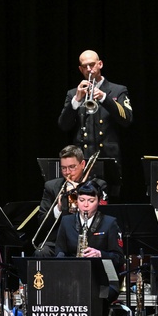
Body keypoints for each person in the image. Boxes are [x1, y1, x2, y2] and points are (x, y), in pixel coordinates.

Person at [58, 50, 133, 199]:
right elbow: (63, 125)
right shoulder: (73, 94)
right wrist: (77, 101)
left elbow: (127, 119)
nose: (89, 70)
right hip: (82, 163)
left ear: (100, 64)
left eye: (92, 65)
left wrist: (104, 98)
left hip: (108, 162)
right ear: (80, 69)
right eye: (84, 66)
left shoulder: (117, 90)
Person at [35, 145, 108, 256]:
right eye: (64, 168)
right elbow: (42, 223)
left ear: (82, 164)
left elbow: (103, 217)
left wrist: (80, 194)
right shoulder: (51, 187)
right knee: (41, 252)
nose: (67, 172)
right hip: (59, 241)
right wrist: (58, 209)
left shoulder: (98, 185)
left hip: (89, 240)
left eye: (72, 167)